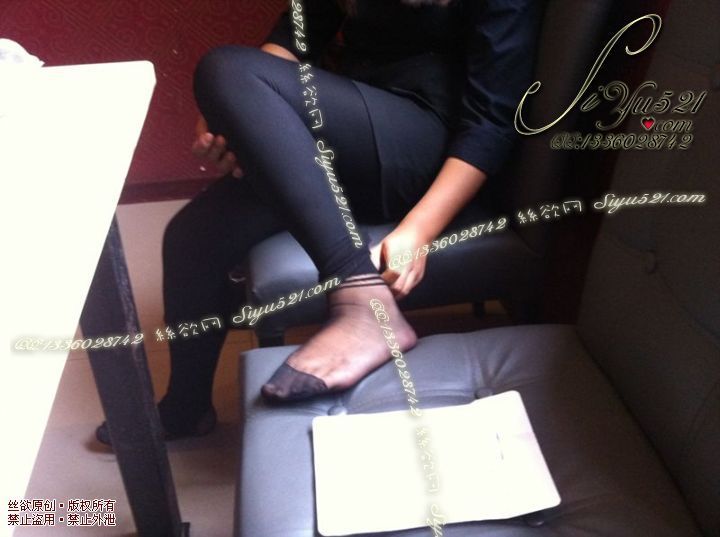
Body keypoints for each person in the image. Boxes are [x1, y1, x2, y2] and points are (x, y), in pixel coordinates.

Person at [96, 0, 542, 444]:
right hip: (351, 136)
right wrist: (229, 113)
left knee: (225, 68)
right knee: (192, 236)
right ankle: (185, 408)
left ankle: (361, 296)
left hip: (427, 149)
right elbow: (294, 36)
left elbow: (491, 124)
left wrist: (419, 229)